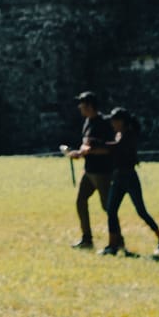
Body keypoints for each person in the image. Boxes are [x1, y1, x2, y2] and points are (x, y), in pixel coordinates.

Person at [97, 106, 159, 260]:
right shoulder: (119, 134)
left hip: (129, 177)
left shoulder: (129, 135)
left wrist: (97, 147)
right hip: (118, 177)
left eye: (114, 121)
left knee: (141, 211)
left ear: (121, 121)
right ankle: (112, 245)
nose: (112, 124)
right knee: (111, 210)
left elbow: (116, 149)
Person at [61, 92, 114, 250]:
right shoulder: (87, 122)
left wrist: (88, 152)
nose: (79, 107)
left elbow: (108, 148)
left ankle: (117, 240)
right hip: (89, 171)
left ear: (90, 106)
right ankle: (87, 239)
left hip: (102, 172)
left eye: (82, 105)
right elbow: (87, 145)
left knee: (108, 207)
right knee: (80, 201)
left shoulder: (104, 123)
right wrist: (78, 153)